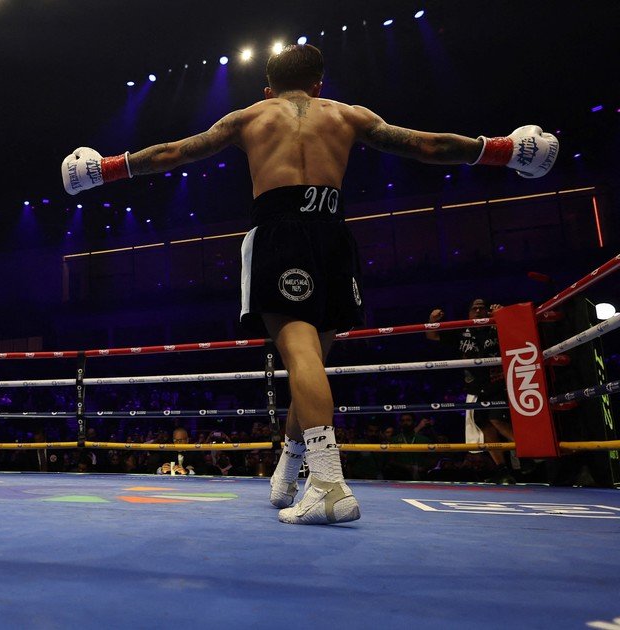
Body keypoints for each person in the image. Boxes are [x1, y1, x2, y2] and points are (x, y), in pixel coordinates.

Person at [61, 44, 557, 524]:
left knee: (298, 356)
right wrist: (504, 150)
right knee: (311, 363)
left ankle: (327, 483)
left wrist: (104, 170)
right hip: (333, 237)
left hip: (281, 235)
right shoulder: (347, 114)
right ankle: (288, 469)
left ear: (268, 87)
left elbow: (172, 153)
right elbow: (428, 145)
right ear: (319, 83)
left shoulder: (251, 117)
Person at [427, 299, 516, 483]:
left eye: (481, 308)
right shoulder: (462, 330)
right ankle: (502, 470)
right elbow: (432, 335)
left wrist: (504, 313)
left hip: (501, 383)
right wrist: (432, 319)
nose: (477, 311)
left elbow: (519, 330)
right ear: (468, 313)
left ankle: (532, 452)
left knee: (496, 420)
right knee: (485, 426)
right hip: (476, 388)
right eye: (474, 308)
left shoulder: (496, 325)